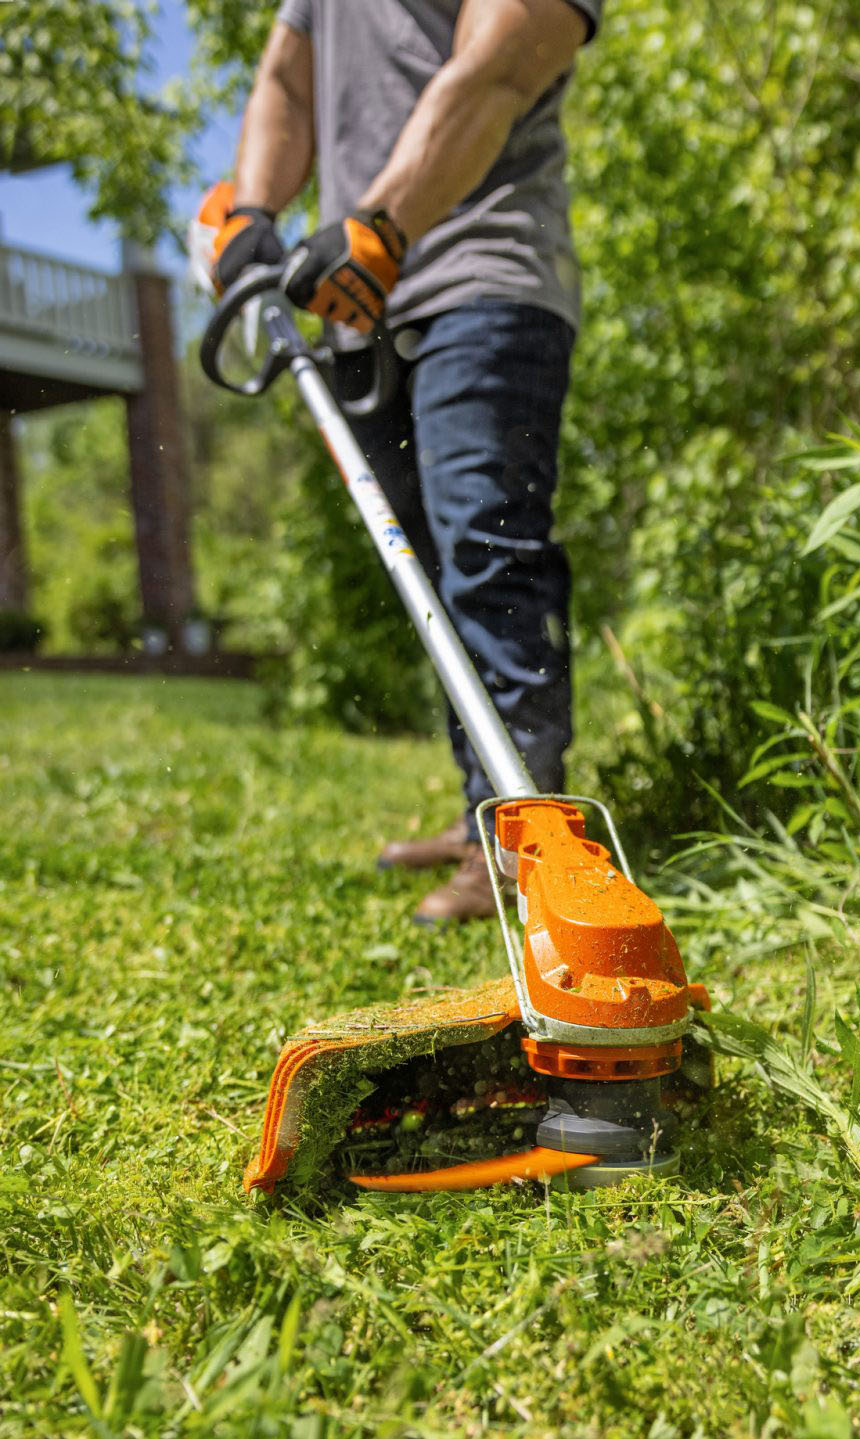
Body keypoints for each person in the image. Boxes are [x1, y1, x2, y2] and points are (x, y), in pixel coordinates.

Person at [201, 0, 601, 921]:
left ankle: (529, 836)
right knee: (419, 564)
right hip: (361, 302)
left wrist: (384, 221)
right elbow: (284, 82)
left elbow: (499, 67)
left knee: (486, 550)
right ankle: (484, 814)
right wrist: (255, 211)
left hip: (481, 276)